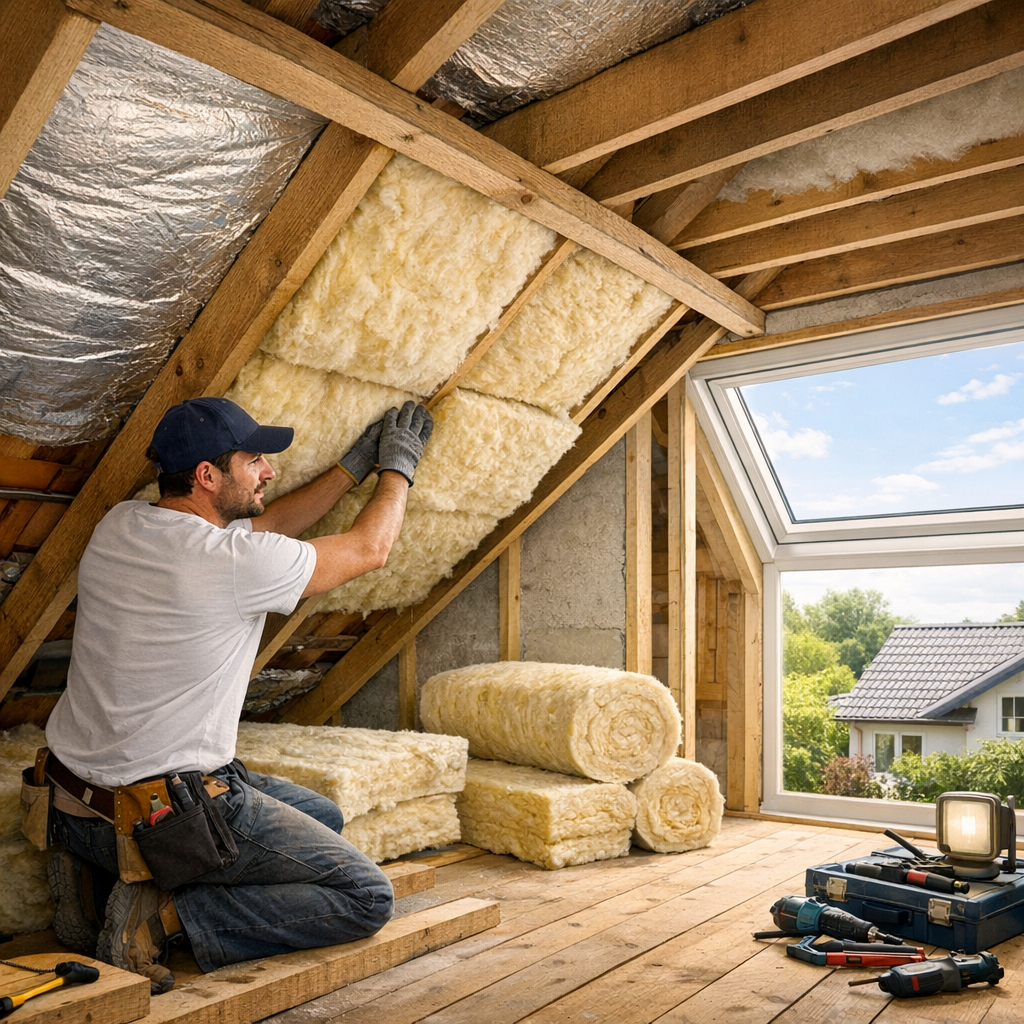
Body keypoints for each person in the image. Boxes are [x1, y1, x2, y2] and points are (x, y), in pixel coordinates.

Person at [41, 395, 433, 992]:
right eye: (255, 461)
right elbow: (368, 549)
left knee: (322, 815)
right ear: (207, 476)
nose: (269, 472)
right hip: (166, 816)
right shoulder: (229, 563)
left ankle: (98, 882)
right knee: (364, 896)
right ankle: (165, 919)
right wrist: (396, 468)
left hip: (73, 802)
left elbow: (267, 528)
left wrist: (350, 466)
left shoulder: (121, 523)